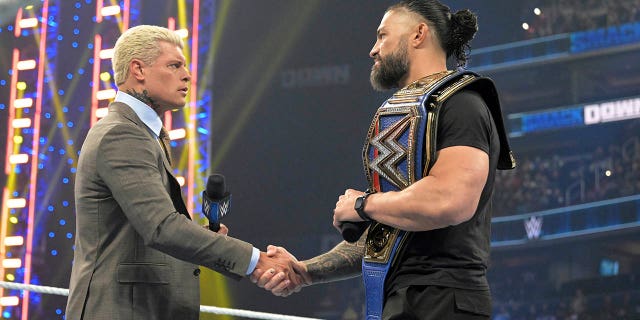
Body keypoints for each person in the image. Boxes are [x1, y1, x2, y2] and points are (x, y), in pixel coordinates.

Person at [252, 1, 516, 319]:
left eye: (382, 36)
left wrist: (364, 204)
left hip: (444, 299)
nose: (373, 50)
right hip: (402, 298)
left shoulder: (463, 105)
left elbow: (451, 200)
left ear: (419, 33)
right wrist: (306, 271)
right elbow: (386, 234)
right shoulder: (412, 111)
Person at [65, 25, 295, 320]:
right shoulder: (122, 134)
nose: (187, 75)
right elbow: (161, 227)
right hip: (120, 310)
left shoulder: (146, 133)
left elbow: (141, 228)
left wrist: (198, 237)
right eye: (174, 65)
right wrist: (255, 260)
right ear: (138, 69)